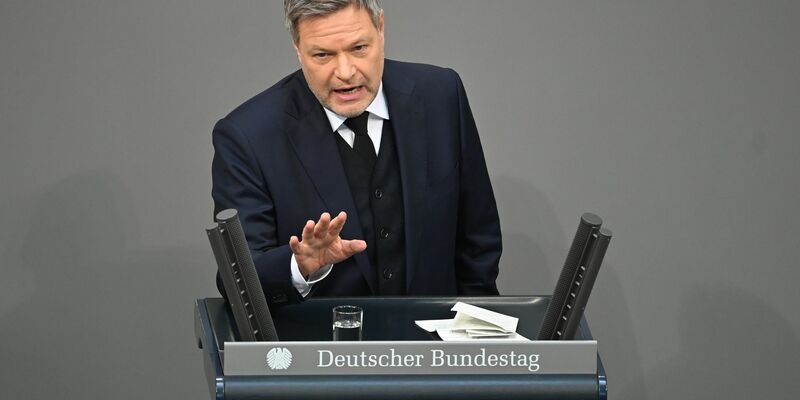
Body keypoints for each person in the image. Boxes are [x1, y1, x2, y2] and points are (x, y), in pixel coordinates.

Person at [212, 0, 502, 306]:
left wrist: (473, 339)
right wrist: (301, 266)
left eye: (359, 48)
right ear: (298, 48)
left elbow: (478, 238)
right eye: (323, 55)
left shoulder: (441, 94)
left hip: (435, 347)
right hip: (319, 351)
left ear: (381, 29)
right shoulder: (248, 135)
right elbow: (237, 280)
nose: (346, 72)